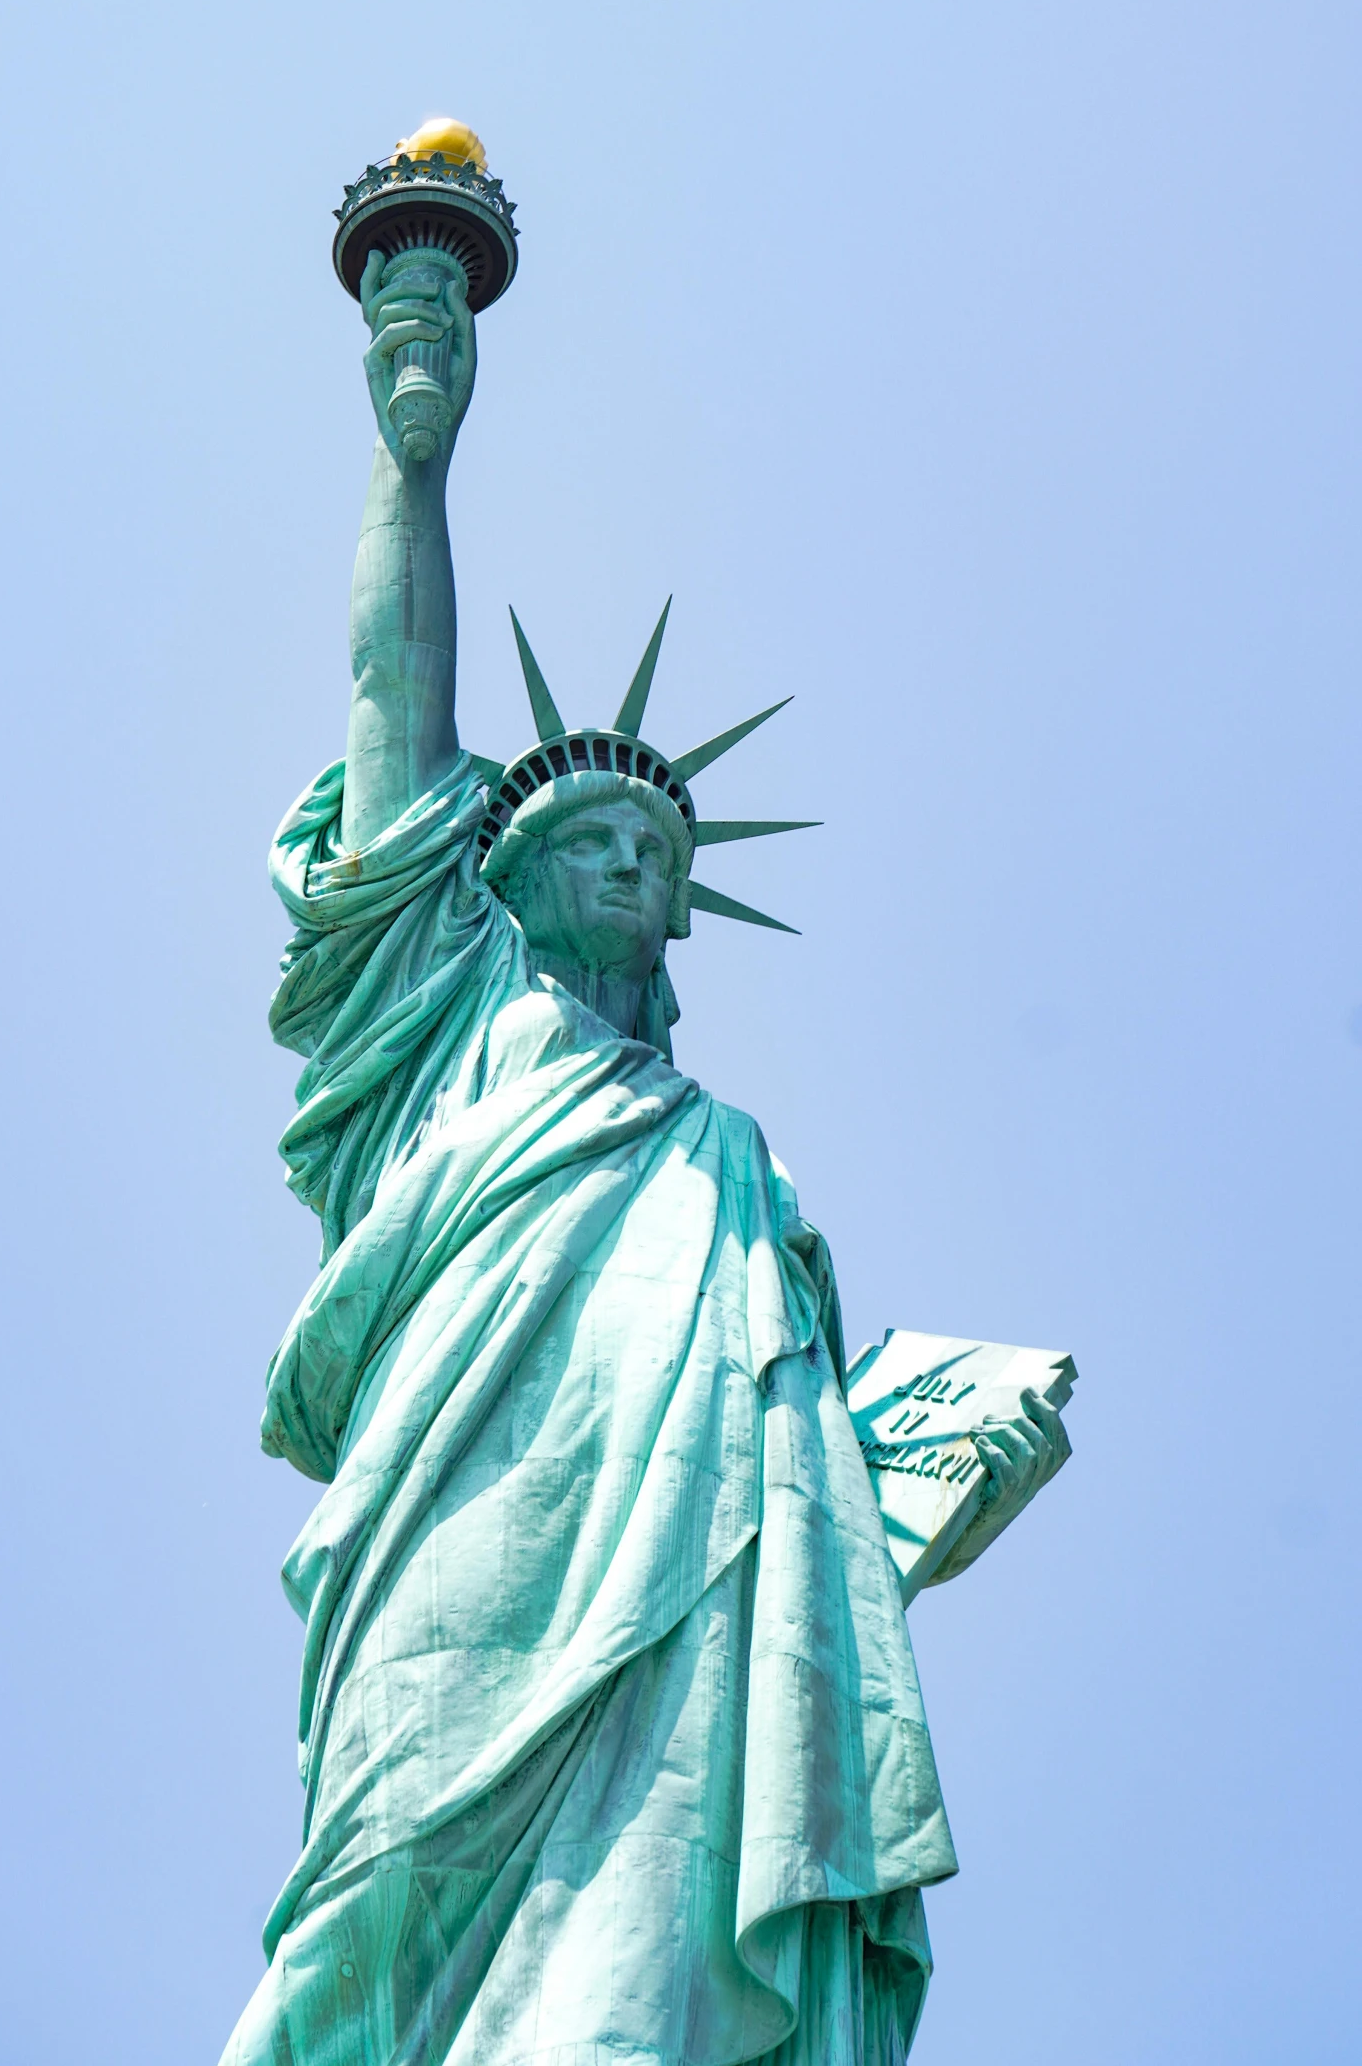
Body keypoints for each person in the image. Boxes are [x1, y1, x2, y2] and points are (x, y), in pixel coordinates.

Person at [220, 244, 1069, 2066]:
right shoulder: (441, 1029)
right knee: (369, 1919)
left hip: (694, 1589)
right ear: (492, 881)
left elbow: (806, 1478)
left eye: (656, 855)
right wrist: (417, 450)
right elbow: (394, 701)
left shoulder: (733, 1161)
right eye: (590, 834)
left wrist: (937, 1462)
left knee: (651, 1971)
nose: (628, 864)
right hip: (460, 1546)